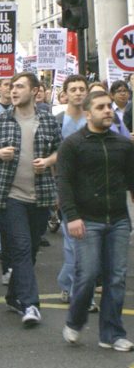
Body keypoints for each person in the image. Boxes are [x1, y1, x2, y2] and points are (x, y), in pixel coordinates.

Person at [0, 72, 61, 327]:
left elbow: (62, 151)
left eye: (19, 87)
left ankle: (14, 296)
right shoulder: (0, 121)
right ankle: (30, 304)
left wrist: (49, 161)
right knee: (22, 247)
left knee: (30, 251)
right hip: (10, 196)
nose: (13, 91)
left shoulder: (48, 121)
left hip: (40, 196)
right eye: (12, 87)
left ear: (35, 91)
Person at [59, 91, 134, 351]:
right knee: (88, 275)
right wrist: (72, 216)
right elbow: (64, 183)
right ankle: (75, 321)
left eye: (109, 107)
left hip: (118, 220)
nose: (107, 111)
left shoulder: (123, 144)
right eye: (101, 107)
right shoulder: (73, 144)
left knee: (116, 278)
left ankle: (111, 334)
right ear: (88, 113)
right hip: (86, 220)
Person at [54, 75, 88, 305]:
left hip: (93, 189)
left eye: (81, 89)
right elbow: (52, 155)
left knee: (88, 242)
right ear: (65, 94)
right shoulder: (58, 121)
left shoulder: (94, 118)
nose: (78, 93)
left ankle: (68, 280)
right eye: (73, 89)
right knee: (72, 242)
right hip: (67, 188)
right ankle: (74, 288)